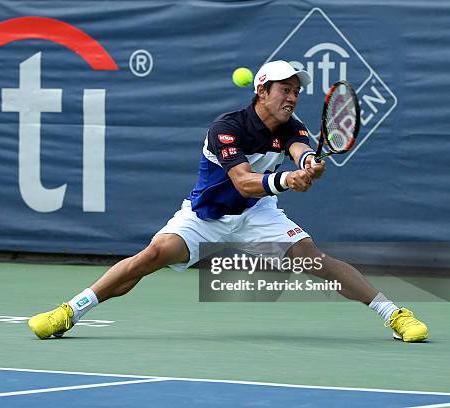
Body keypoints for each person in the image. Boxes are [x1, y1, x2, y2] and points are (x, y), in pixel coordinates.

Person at [28, 60, 428, 342]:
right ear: (262, 91)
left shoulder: (294, 127)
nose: (292, 97)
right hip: (207, 214)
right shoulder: (227, 127)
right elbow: (243, 182)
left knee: (316, 261)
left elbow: (302, 153)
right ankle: (69, 311)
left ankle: (394, 314)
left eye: (296, 91)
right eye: (284, 89)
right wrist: (289, 180)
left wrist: (309, 168)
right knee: (152, 255)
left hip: (257, 214)